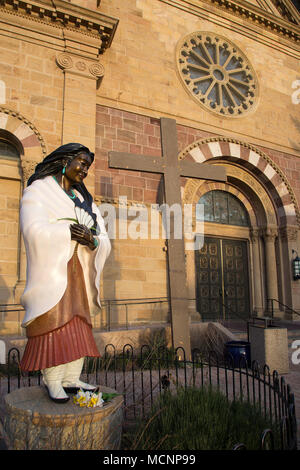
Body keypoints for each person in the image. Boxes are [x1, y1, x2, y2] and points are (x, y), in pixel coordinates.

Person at [19, 143, 111, 403]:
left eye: (88, 166)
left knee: (79, 325)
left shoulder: (85, 201)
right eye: (81, 163)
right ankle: (53, 381)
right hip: (54, 272)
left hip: (79, 271)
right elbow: (32, 229)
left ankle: (72, 378)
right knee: (55, 324)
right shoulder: (39, 191)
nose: (84, 170)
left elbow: (102, 237)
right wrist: (68, 232)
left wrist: (91, 239)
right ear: (64, 161)